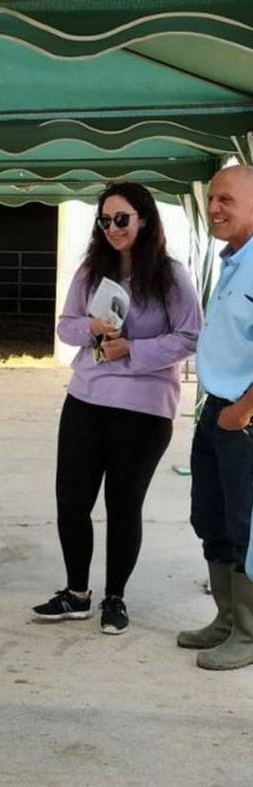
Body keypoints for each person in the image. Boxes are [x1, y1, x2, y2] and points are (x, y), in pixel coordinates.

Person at [32, 183, 201, 635]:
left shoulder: (171, 274)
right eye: (104, 221)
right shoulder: (91, 270)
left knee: (123, 504)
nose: (112, 228)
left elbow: (190, 336)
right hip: (86, 396)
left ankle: (115, 598)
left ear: (144, 219)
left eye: (121, 219)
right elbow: (65, 327)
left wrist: (134, 348)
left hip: (144, 407)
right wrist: (89, 326)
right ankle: (76, 594)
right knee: (71, 500)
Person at [179, 164, 253, 670]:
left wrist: (243, 411)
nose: (214, 209)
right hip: (216, 411)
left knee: (244, 525)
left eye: (226, 199)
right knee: (211, 515)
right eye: (211, 200)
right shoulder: (231, 262)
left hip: (242, 417)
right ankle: (226, 619)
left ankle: (248, 634)